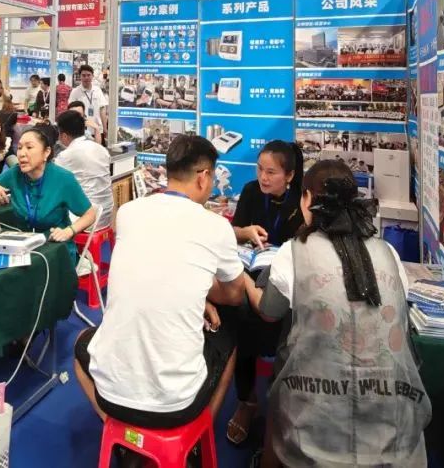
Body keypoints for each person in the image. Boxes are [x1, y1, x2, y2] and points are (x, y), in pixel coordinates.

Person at [244, 158, 428, 468]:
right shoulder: (388, 253)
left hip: (313, 428)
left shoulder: (294, 251)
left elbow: (270, 312)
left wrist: (244, 283)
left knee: (283, 357)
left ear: (307, 200)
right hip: (393, 425)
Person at [73, 135, 243, 432]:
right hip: (177, 405)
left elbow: (154, 267)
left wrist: (198, 294)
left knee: (80, 345)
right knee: (229, 341)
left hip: (110, 394)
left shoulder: (128, 213)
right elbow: (234, 295)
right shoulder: (216, 226)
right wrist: (204, 292)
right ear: (203, 177)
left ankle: (118, 431)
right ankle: (198, 438)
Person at [226, 141, 305, 445]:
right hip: (249, 270)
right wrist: (244, 233)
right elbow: (233, 233)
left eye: (271, 172)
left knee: (285, 321)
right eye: (260, 169)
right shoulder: (250, 192)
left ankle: (284, 402)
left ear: (290, 175)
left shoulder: (301, 201)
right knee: (240, 315)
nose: (263, 177)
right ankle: (247, 401)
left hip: (287, 280)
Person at [0, 127, 96, 242]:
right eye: (19, 148)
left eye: (29, 147)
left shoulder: (63, 178)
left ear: (46, 152)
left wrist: (69, 231)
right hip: (23, 244)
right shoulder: (14, 173)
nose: (22, 153)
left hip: (54, 245)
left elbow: (90, 214)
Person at [56, 110, 113, 230]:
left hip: (86, 219)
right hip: (107, 215)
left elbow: (52, 180)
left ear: (64, 136)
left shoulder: (66, 155)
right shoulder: (102, 149)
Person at [69, 64, 108, 142]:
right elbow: (71, 111)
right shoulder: (75, 92)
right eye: (83, 75)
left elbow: (102, 109)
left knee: (98, 149)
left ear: (92, 76)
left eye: (88, 75)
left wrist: (105, 127)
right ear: (80, 77)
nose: (86, 77)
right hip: (81, 131)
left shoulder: (97, 90)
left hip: (97, 130)